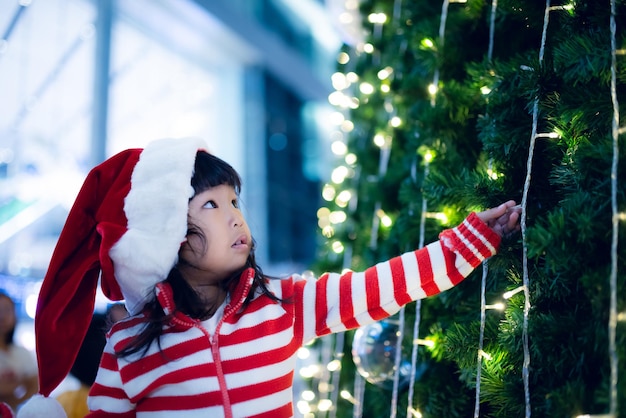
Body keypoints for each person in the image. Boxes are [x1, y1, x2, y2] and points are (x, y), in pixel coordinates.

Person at [18, 137, 521, 418]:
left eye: (235, 201)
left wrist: (468, 241)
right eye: (211, 205)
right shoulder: (128, 345)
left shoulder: (281, 304)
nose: (236, 216)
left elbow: (376, 288)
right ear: (163, 234)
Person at [0, 293, 38, 413]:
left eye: (7, 310)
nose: (2, 317)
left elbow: (35, 385)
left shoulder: (21, 353)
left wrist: (13, 403)